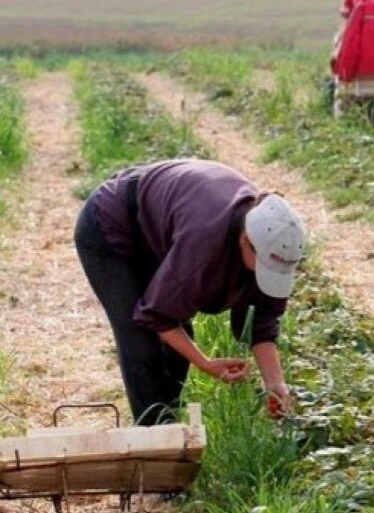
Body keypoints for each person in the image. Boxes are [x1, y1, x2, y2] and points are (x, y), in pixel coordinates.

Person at [74, 159, 307, 425]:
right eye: (265, 266)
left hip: (161, 228)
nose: (267, 273)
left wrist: (275, 384)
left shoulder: (273, 241)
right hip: (111, 228)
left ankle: (168, 424)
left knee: (177, 344)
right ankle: (154, 443)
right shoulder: (204, 246)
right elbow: (157, 316)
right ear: (246, 241)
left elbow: (262, 320)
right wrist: (205, 362)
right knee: (143, 343)